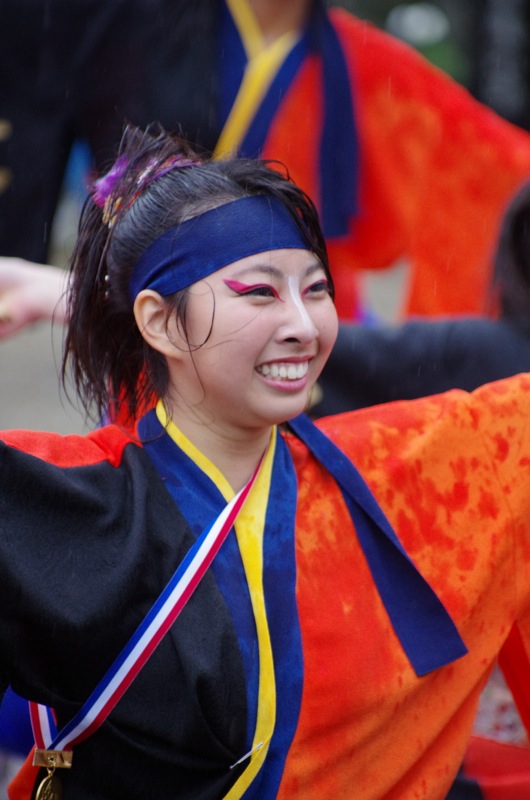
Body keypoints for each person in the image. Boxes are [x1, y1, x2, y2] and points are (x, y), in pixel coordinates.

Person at [2, 122, 530, 800]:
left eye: (315, 290)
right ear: (159, 322)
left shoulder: (413, 472)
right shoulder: (51, 497)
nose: (305, 327)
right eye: (260, 292)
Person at [5, 0, 530, 322]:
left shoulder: (366, 64)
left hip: (304, 340)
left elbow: (501, 169)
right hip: (155, 330)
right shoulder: (126, 25)